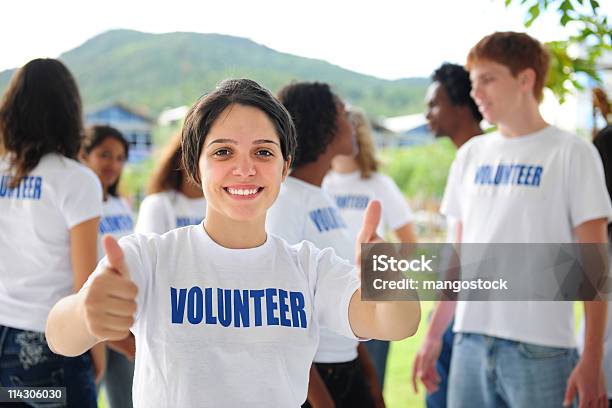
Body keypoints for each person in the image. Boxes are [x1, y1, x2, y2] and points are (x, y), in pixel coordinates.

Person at [45, 78, 421, 408]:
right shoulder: (149, 257)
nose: (245, 169)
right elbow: (59, 336)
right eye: (223, 152)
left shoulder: (309, 268)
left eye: (263, 152)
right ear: (195, 166)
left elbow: (396, 324)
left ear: (284, 166)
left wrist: (386, 274)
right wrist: (85, 311)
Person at [422, 32, 610, 408]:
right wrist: (433, 336)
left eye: (488, 80)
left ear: (525, 80)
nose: (477, 93)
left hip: (541, 350)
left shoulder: (573, 153)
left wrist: (591, 361)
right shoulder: (470, 156)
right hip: (469, 343)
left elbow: (596, 266)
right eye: (474, 83)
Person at [269, 82, 384, 408]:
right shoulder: (285, 201)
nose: (352, 123)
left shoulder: (320, 196)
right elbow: (279, 319)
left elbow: (340, 289)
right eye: (344, 114)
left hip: (345, 367)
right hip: (314, 381)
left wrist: (368, 376)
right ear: (324, 124)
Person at [0, 58, 103, 407]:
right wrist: (95, 350)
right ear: (70, 111)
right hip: (50, 342)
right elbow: (86, 283)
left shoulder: (3, 170)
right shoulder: (76, 180)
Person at [322, 108, 417, 389]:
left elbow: (409, 243)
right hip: (330, 300)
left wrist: (380, 279)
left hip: (371, 301)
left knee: (369, 389)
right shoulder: (320, 184)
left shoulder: (380, 184)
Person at [412, 63, 483, 408]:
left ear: (460, 106)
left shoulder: (486, 160)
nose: (427, 114)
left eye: (434, 104)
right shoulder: (465, 160)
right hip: (454, 310)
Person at [81, 124, 135, 408]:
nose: (113, 164)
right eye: (104, 155)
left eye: (119, 157)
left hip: (126, 321)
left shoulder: (121, 205)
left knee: (126, 401)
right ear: (85, 155)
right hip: (93, 321)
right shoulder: (79, 207)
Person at [135, 133, 206, 234]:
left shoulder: (224, 205)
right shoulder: (157, 204)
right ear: (181, 159)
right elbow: (149, 248)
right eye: (198, 154)